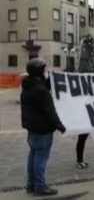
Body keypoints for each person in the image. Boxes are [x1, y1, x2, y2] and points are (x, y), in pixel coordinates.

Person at [21, 58, 66, 196]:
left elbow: (42, 88)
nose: (45, 71)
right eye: (44, 69)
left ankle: (31, 185)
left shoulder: (28, 86)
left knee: (33, 156)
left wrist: (48, 81)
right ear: (39, 71)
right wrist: (60, 126)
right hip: (42, 129)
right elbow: (49, 111)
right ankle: (40, 187)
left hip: (32, 129)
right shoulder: (40, 90)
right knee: (41, 158)